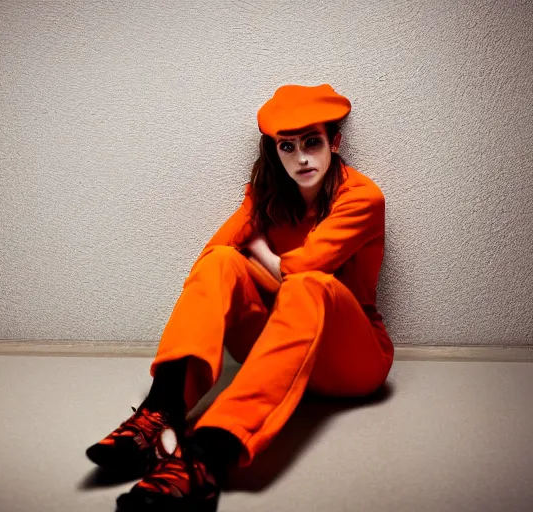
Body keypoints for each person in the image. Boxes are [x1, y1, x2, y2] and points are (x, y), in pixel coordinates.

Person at [85, 83, 394, 512]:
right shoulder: (267, 191)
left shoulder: (361, 197)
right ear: (275, 150)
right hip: (281, 346)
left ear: (335, 143)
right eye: (288, 147)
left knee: (309, 284)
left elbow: (302, 268)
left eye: (313, 143)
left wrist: (263, 250)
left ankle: (206, 457)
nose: (302, 158)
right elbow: (212, 254)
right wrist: (248, 246)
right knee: (221, 264)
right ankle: (161, 413)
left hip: (350, 359)